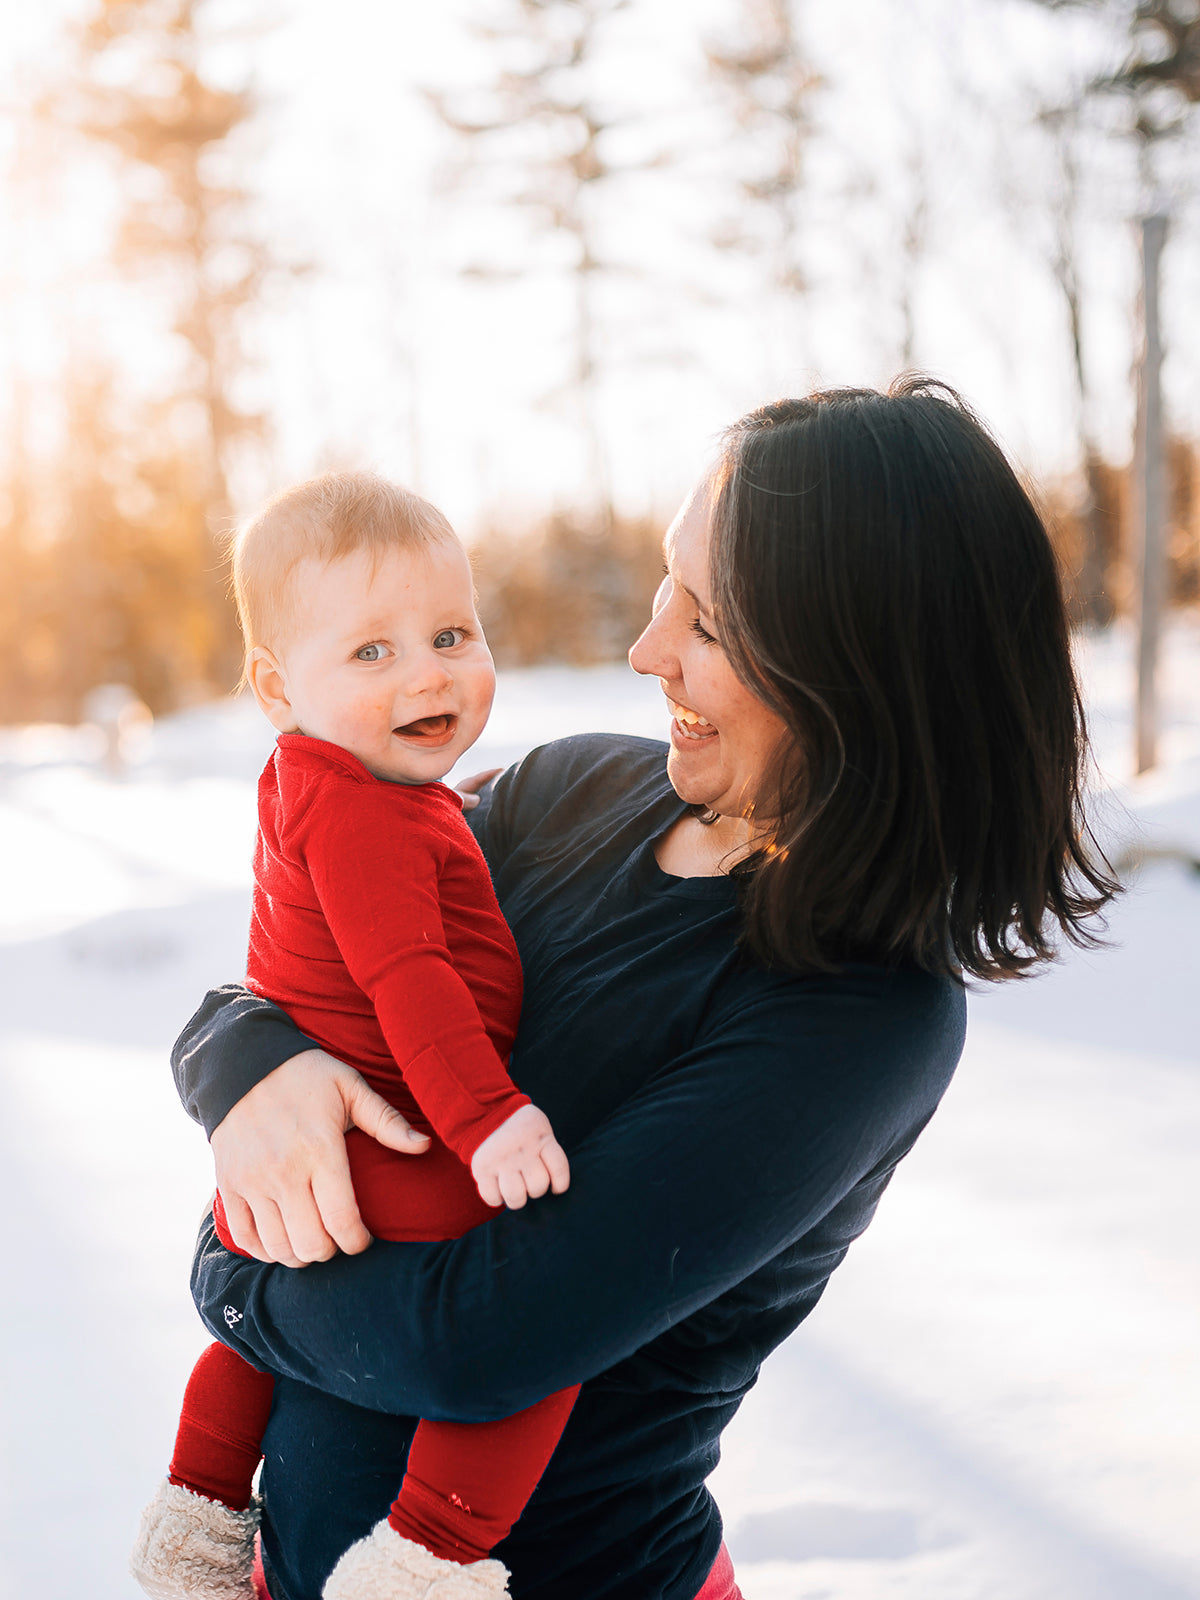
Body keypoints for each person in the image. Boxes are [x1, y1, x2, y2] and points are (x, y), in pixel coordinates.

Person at [174, 380, 1117, 1600]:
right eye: (668, 586)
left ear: (857, 671)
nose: (645, 649)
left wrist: (232, 1273)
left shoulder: (859, 1014)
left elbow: (479, 1345)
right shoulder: (563, 793)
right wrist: (237, 1052)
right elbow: (314, 947)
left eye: (708, 624)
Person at [133, 473, 577, 1600]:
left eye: (449, 633)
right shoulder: (372, 815)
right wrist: (488, 1118)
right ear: (279, 688)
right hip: (404, 1146)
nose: (427, 671)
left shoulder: (317, 781)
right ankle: (428, 1552)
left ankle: (200, 1508)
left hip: (300, 1171)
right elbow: (410, 980)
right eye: (370, 652)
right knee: (538, 1347)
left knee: (251, 1344)